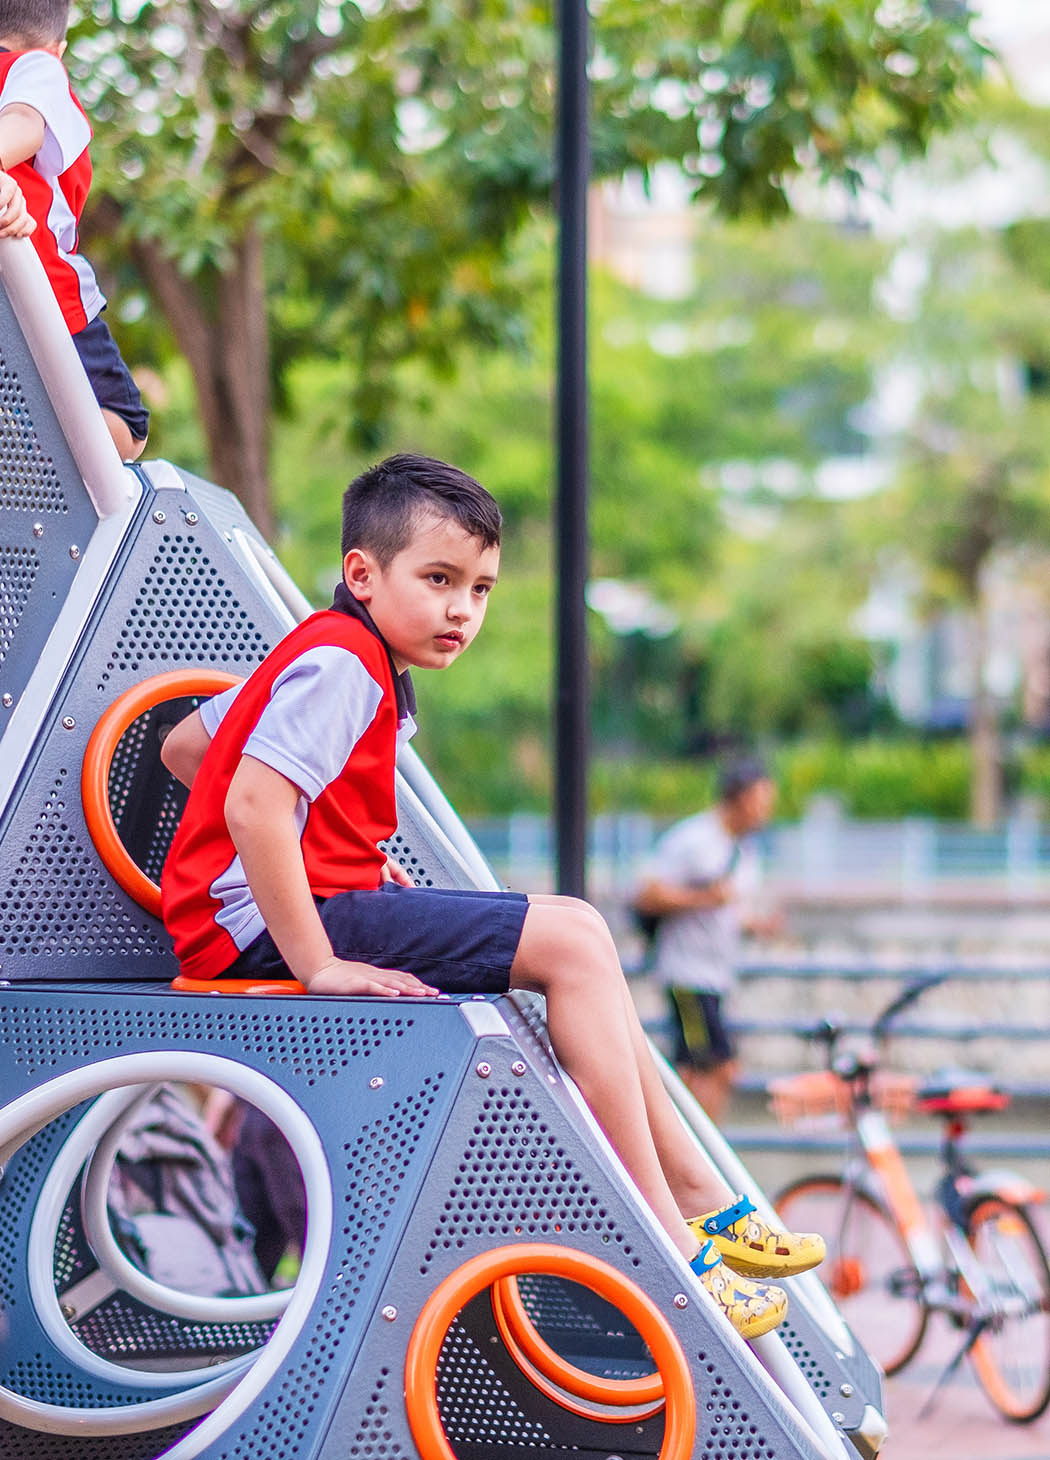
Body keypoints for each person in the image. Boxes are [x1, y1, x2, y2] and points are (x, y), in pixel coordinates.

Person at [160, 454, 823, 1338]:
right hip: (267, 932)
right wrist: (318, 964)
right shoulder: (345, 664)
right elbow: (251, 801)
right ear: (363, 573)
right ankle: (678, 1239)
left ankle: (703, 1198)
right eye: (438, 580)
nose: (460, 610)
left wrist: (326, 846)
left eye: (479, 589)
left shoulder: (328, 652)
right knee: (576, 946)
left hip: (274, 912)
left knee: (580, 926)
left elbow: (183, 747)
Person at [0, 0, 149, 461]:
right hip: (49, 289)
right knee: (129, 430)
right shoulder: (36, 67)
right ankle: (36, 440)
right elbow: (22, 126)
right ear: (57, 47)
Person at [635, 758, 780, 1125]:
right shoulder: (694, 839)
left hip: (715, 975)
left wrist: (756, 925)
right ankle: (696, 1156)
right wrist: (703, 900)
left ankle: (692, 1154)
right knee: (713, 1068)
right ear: (740, 798)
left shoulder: (742, 849)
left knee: (699, 1069)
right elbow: (648, 894)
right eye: (761, 800)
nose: (766, 811)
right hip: (688, 974)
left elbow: (727, 910)